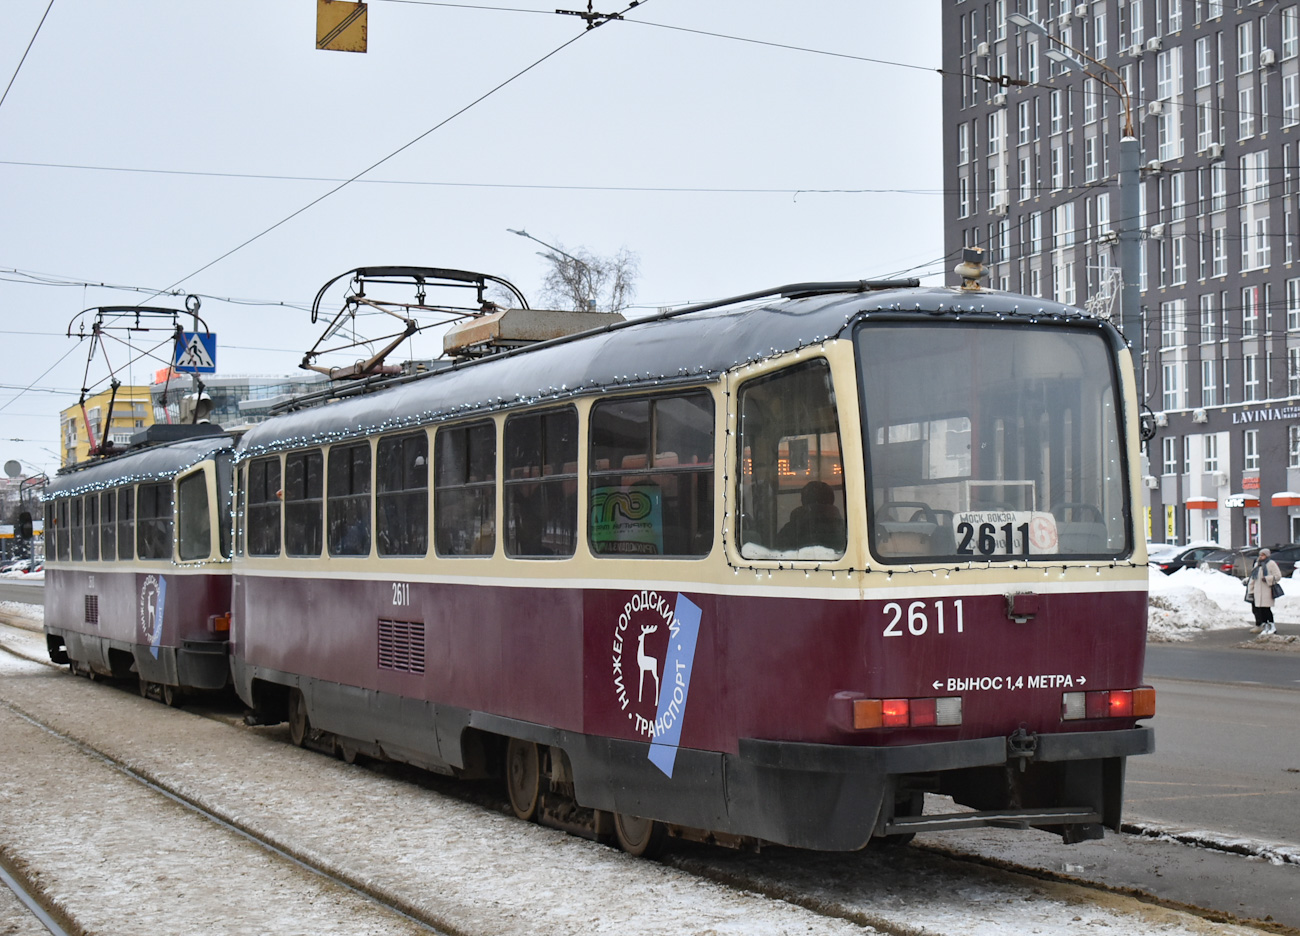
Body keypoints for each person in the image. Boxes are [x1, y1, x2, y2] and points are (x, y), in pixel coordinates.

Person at [1247, 548, 1282, 636]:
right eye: (1260, 555)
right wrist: (1250, 590)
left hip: (1267, 590)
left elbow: (1278, 576)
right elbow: (1253, 578)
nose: (1261, 557)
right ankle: (1266, 627)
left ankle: (1272, 626)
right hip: (1258, 591)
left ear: (1267, 555)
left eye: (1263, 555)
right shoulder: (1257, 564)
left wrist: (1267, 579)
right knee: (1260, 610)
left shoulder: (1271, 564)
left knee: (1267, 610)